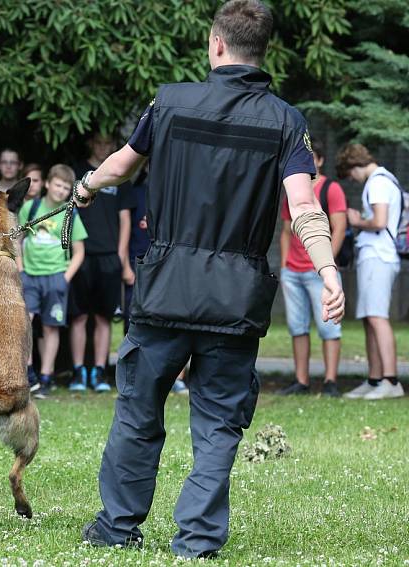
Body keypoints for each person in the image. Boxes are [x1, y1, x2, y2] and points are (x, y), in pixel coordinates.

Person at [73, 1, 344, 557]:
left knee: (138, 412)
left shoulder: (169, 102)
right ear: (261, 50)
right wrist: (328, 267)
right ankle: (196, 541)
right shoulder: (286, 121)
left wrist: (86, 187)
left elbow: (122, 165)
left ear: (216, 44)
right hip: (234, 301)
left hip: (165, 289)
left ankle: (117, 528)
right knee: (219, 424)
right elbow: (304, 205)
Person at [278, 138, 347, 397]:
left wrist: (325, 264)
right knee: (297, 326)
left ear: (319, 160)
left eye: (312, 159)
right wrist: (285, 265)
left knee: (329, 326)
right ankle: (301, 380)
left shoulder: (331, 189)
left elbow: (339, 228)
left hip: (319, 271)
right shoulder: (292, 188)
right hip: (293, 271)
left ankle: (330, 382)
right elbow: (286, 230)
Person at [69, 131, 135, 392]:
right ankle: (77, 373)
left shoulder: (120, 176)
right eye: (99, 142)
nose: (103, 147)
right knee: (78, 317)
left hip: (109, 256)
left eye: (108, 143)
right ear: (90, 143)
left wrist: (122, 257)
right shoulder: (78, 172)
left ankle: (98, 371)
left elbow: (125, 220)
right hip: (81, 254)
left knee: (104, 317)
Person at [338, 143, 404, 400]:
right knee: (369, 318)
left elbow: (378, 222)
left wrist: (356, 221)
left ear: (354, 165)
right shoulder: (385, 180)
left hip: (378, 256)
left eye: (350, 174)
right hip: (375, 256)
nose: (352, 180)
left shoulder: (377, 182)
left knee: (377, 317)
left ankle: (391, 380)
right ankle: (375, 379)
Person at [17, 164, 87, 398]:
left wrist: (65, 278)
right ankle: (27, 373)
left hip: (56, 277)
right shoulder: (31, 207)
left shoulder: (70, 213)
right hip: (30, 276)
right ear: (47, 183)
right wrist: (20, 269)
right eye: (58, 184)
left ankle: (46, 376)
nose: (61, 190)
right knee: (25, 322)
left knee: (51, 326)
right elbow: (17, 239)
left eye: (67, 187)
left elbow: (79, 251)